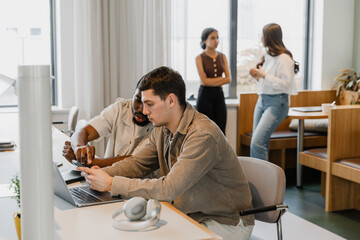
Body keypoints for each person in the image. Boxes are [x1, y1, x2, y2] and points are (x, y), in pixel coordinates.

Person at [78, 66, 254, 240]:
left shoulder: (202, 134)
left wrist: (110, 183)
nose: (144, 111)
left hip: (226, 223)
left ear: (171, 100)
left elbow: (169, 188)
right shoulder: (162, 130)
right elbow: (137, 163)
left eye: (150, 104)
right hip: (193, 215)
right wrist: (99, 174)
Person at [62, 79, 154, 167]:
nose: (141, 109)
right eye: (138, 100)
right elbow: (85, 131)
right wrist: (78, 148)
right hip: (105, 178)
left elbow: (134, 162)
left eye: (149, 104)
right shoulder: (121, 108)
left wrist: (85, 160)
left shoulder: (160, 124)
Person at [249, 23, 298, 161]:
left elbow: (286, 84)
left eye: (263, 35)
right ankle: (257, 179)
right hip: (262, 100)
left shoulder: (284, 58)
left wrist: (264, 76)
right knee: (257, 142)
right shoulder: (268, 56)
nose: (261, 38)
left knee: (257, 143)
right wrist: (257, 77)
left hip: (277, 102)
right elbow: (266, 83)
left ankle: (262, 181)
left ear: (269, 37)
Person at [195, 28, 231, 134]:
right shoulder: (199, 58)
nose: (216, 41)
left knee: (221, 130)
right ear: (204, 40)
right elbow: (204, 82)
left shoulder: (222, 56)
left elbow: (228, 79)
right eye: (213, 38)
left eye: (217, 38)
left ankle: (220, 151)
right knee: (206, 131)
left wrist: (211, 81)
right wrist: (221, 79)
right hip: (205, 96)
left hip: (219, 95)